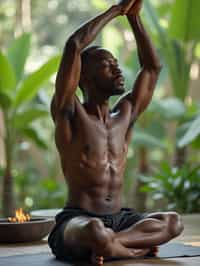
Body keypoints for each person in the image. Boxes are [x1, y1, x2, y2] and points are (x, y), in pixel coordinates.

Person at [48, 0, 184, 264]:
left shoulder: (125, 115)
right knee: (96, 231)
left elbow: (152, 68)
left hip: (121, 218)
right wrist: (116, 11)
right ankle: (131, 248)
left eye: (116, 63)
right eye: (107, 65)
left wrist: (134, 18)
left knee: (172, 222)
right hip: (79, 220)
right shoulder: (69, 112)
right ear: (84, 77)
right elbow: (73, 46)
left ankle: (111, 246)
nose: (118, 69)